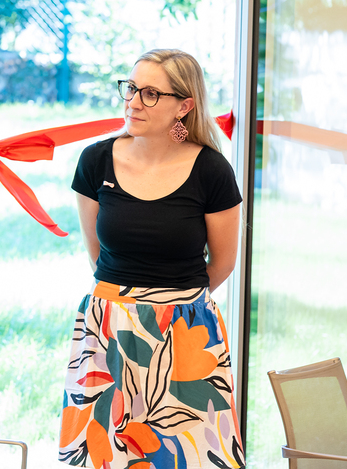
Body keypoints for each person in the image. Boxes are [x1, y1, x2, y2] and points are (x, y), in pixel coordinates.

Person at [58, 49, 244, 468]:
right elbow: (98, 254)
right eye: (131, 88)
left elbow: (223, 264)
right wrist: (129, 307)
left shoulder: (212, 170)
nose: (133, 102)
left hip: (185, 332)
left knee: (187, 456)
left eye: (150, 93)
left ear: (184, 106)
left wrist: (171, 306)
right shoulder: (95, 161)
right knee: (106, 454)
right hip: (108, 329)